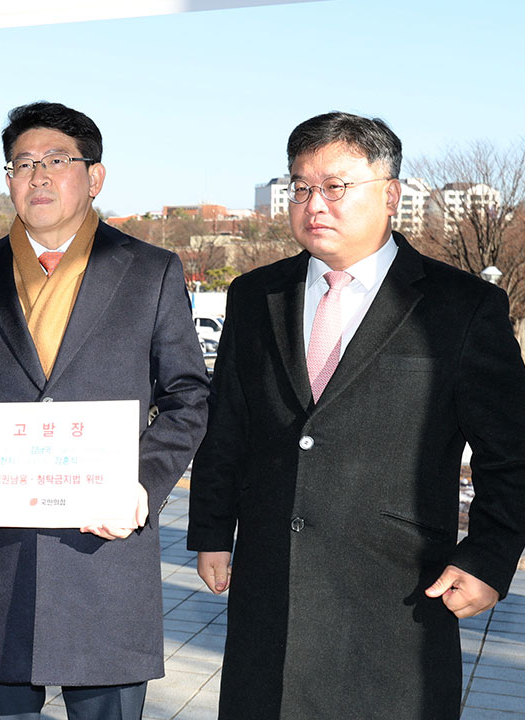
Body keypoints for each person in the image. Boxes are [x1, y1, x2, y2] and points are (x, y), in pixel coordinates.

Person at [188, 112, 525, 719]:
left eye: (336, 186)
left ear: (391, 194)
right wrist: (212, 530)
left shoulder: (462, 306)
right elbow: (228, 425)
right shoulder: (254, 295)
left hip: (397, 595)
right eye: (300, 187)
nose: (314, 203)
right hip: (271, 589)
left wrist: (490, 558)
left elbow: (514, 451)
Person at [0, 101, 210, 719]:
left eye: (57, 161)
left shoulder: (150, 271)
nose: (38, 177)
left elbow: (187, 397)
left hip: (105, 550)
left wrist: (141, 480)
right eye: (22, 164)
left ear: (95, 176)